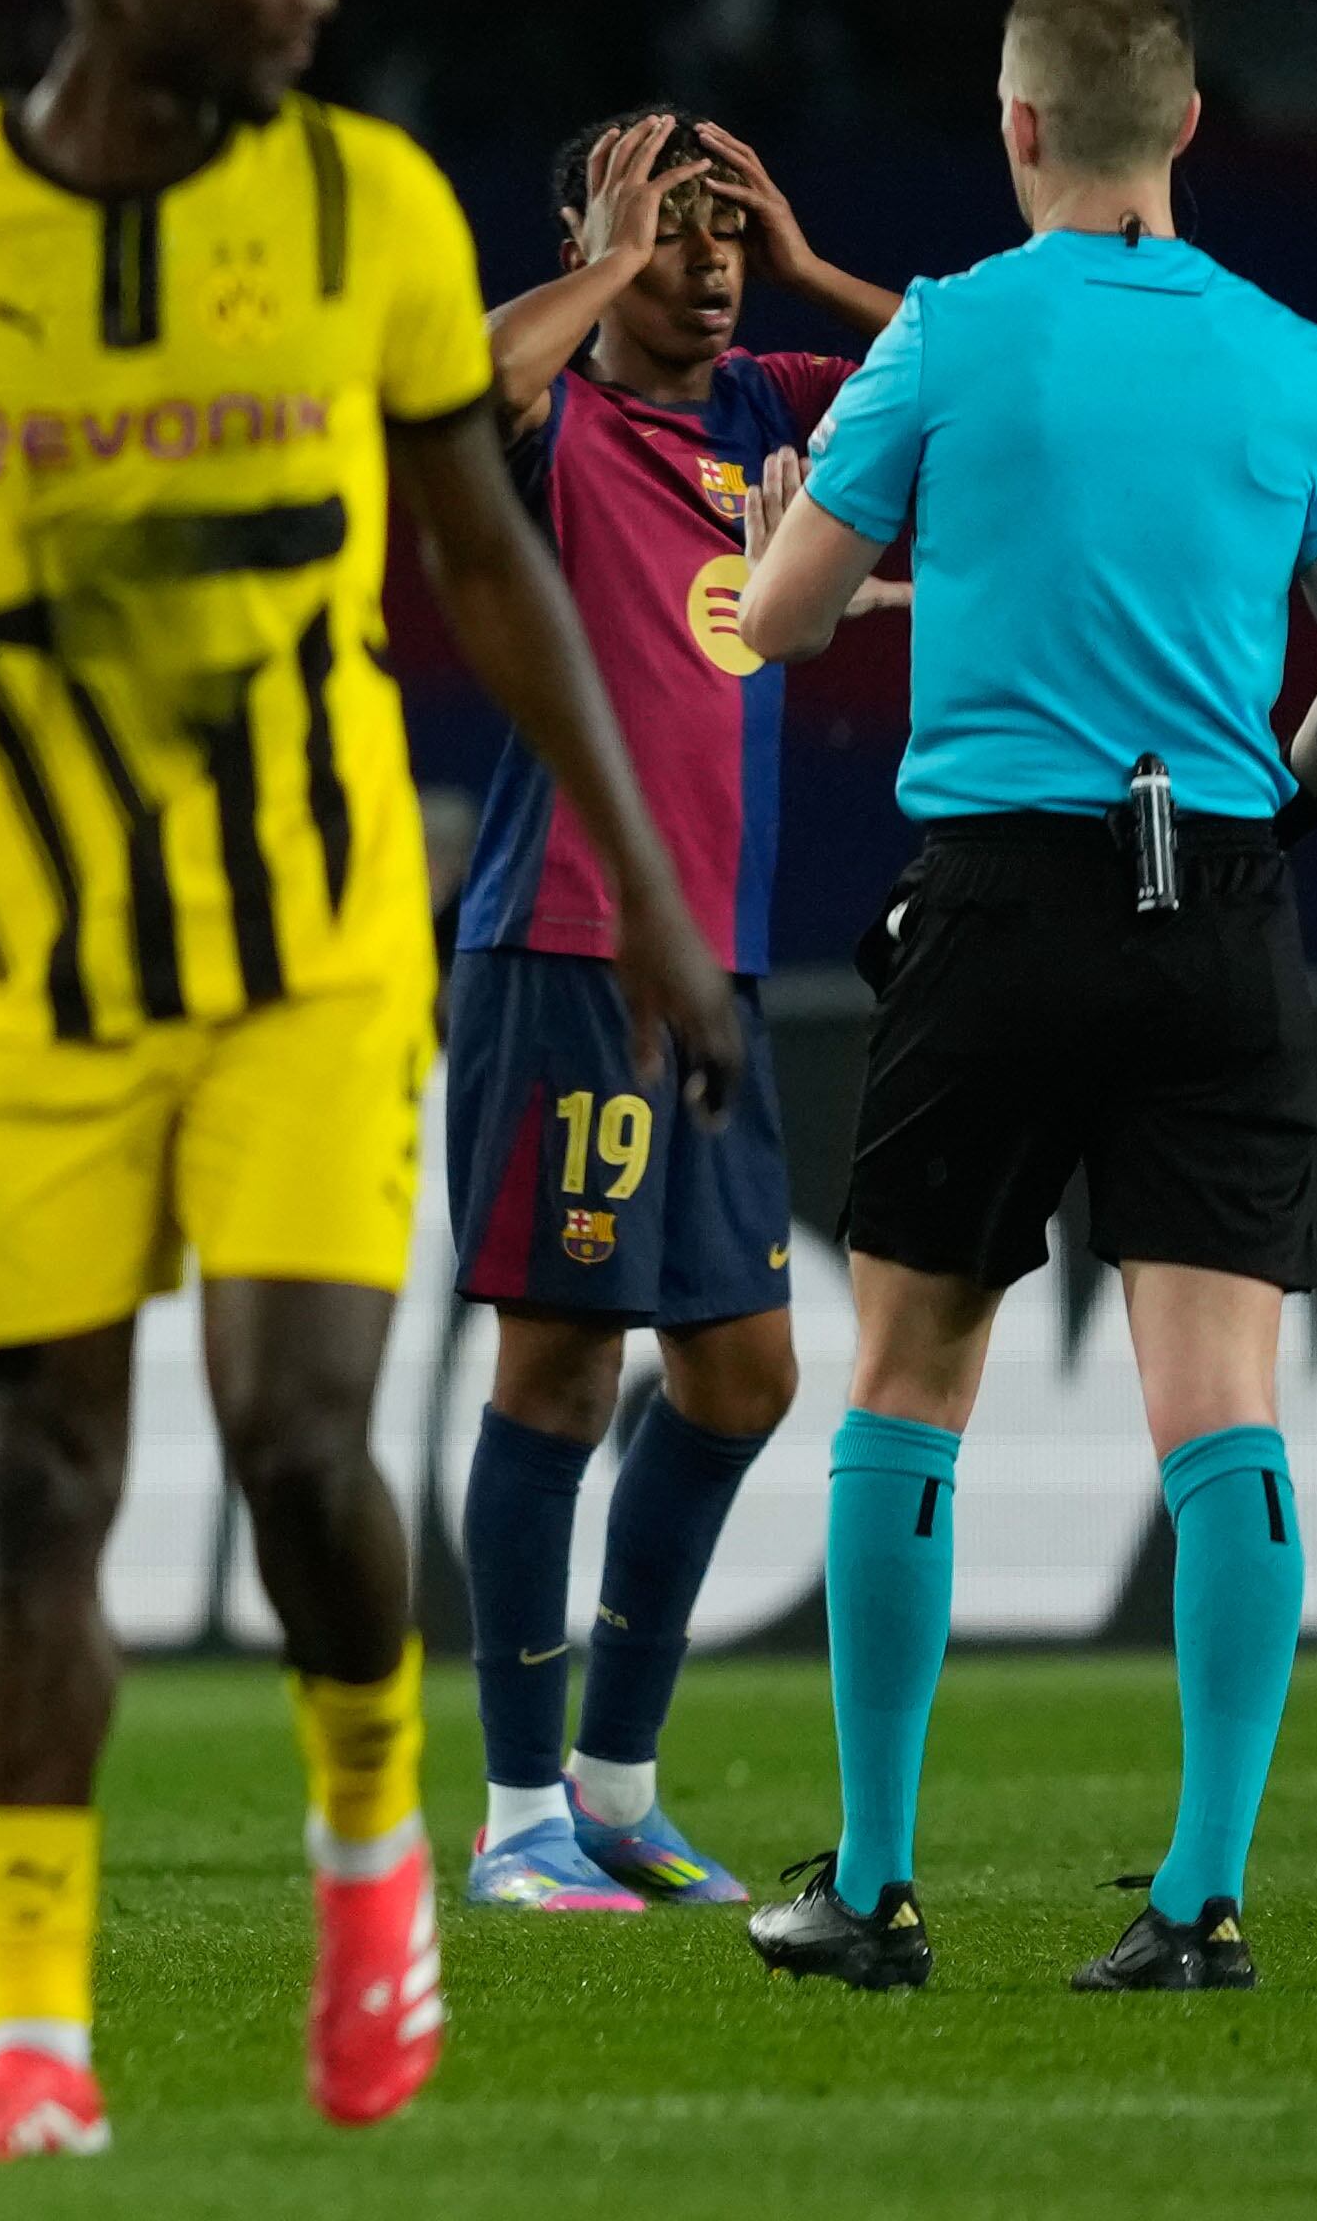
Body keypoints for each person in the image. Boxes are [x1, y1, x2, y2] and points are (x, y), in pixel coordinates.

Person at [0, 0, 744, 2157]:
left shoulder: (366, 203)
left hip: (311, 950)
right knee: (36, 1487)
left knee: (294, 1446)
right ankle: (35, 2043)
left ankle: (374, 1862)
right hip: (19, 968)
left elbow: (484, 558)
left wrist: (645, 875)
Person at [737, 0, 1317, 1994]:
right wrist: (1271, 820)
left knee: (912, 1381)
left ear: (1019, 126)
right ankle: (1200, 1900)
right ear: (1190, 128)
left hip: (1002, 913)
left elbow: (774, 620)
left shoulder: (947, 335)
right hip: (1214, 907)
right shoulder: (1305, 366)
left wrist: (808, 532)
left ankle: (873, 1887)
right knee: (1222, 1412)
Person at [446, 109, 901, 1916]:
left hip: (710, 954)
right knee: (558, 1362)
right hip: (564, 938)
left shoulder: (770, 406)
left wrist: (800, 263)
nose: (706, 264)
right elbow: (466, 379)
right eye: (680, 231)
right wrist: (611, 254)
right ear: (599, 231)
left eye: (726, 231)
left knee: (742, 1369)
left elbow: (984, 369)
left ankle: (615, 1786)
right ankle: (508, 1819)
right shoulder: (561, 416)